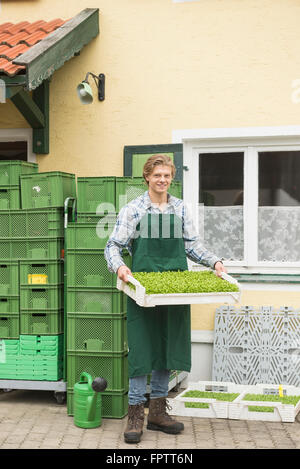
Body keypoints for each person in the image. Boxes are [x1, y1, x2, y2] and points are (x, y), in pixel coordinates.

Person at [104, 154, 226, 444]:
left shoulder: (181, 208)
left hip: (174, 290)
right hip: (142, 289)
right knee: (143, 346)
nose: (162, 180)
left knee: (167, 343)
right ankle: (135, 413)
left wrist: (215, 263)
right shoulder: (133, 208)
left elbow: (193, 246)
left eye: (167, 176)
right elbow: (113, 246)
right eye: (157, 175)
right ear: (147, 176)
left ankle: (158, 410)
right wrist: (120, 267)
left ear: (172, 178)